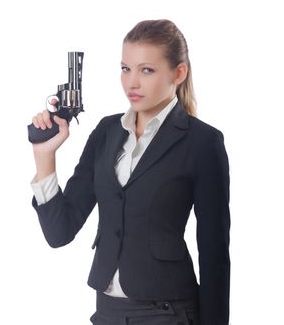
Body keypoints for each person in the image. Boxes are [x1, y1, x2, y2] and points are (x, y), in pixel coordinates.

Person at [28, 19, 229, 324]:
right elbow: (60, 232)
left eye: (146, 70)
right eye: (125, 68)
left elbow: (214, 253)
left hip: (168, 313)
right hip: (108, 313)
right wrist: (44, 157)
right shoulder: (106, 132)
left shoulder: (202, 142)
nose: (131, 83)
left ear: (179, 73)